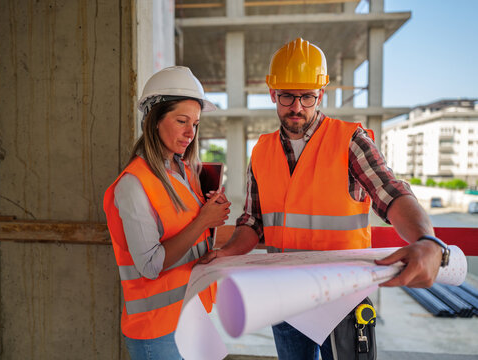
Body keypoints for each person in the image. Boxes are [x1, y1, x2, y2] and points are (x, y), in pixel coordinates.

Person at [200, 38, 450, 360]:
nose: (297, 107)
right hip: (285, 293)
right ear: (273, 93)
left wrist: (426, 240)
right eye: (288, 96)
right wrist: (227, 252)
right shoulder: (261, 151)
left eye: (307, 96)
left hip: (342, 295)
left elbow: (391, 193)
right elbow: (253, 221)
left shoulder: (349, 141)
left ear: (321, 94)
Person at [103, 66, 231, 360]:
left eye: (196, 123)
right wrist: (203, 221)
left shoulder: (183, 171)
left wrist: (211, 212)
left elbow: (189, 234)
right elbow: (150, 264)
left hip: (191, 317)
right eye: (181, 121)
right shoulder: (133, 184)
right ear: (154, 120)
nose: (191, 132)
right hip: (157, 332)